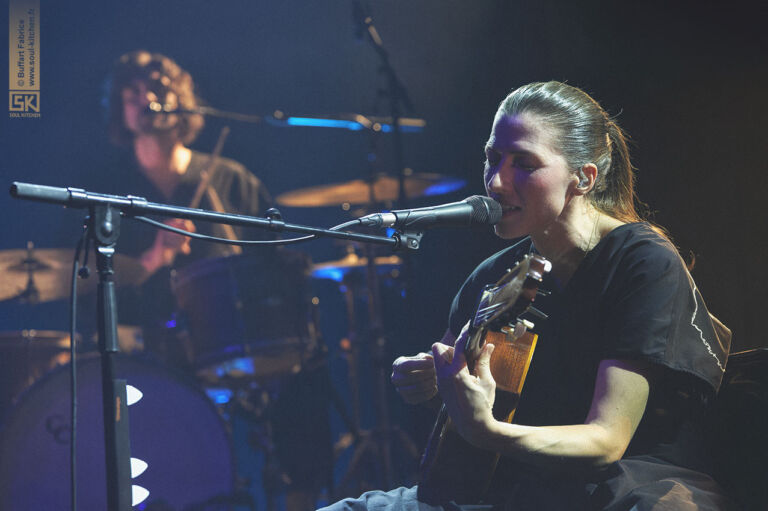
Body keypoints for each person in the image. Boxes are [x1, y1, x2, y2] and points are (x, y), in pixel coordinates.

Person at [321, 81, 735, 510]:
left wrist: (489, 431)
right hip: (512, 485)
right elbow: (460, 416)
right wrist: (432, 382)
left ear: (584, 177)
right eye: (493, 158)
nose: (497, 181)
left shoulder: (643, 263)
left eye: (524, 163)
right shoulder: (495, 274)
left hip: (624, 486)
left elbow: (606, 441)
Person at [100, 50, 332, 510]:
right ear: (120, 112)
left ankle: (304, 498)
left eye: (158, 88)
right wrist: (154, 258)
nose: (147, 98)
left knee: (309, 366)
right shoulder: (111, 191)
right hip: (156, 351)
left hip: (238, 341)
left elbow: (275, 262)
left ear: (182, 100)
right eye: (133, 93)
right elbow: (97, 285)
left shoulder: (230, 178)